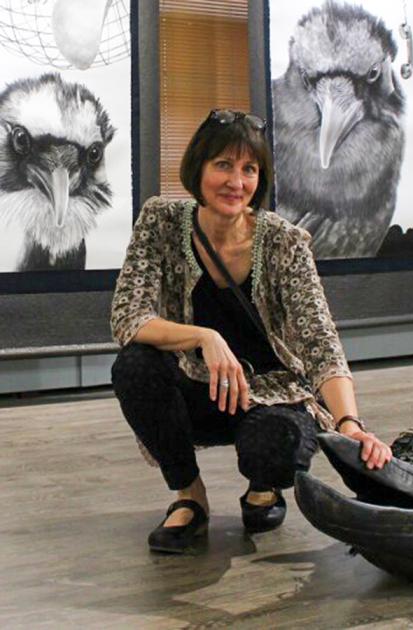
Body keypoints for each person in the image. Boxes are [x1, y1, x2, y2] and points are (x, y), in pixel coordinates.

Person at [110, 109, 392, 553]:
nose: (235, 182)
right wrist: (204, 336)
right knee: (134, 366)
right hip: (195, 388)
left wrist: (350, 424)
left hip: (269, 394)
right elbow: (128, 316)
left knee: (279, 445)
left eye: (249, 169)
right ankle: (190, 496)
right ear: (198, 167)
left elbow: (320, 339)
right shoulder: (161, 222)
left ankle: (263, 487)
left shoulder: (284, 241)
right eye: (223, 165)